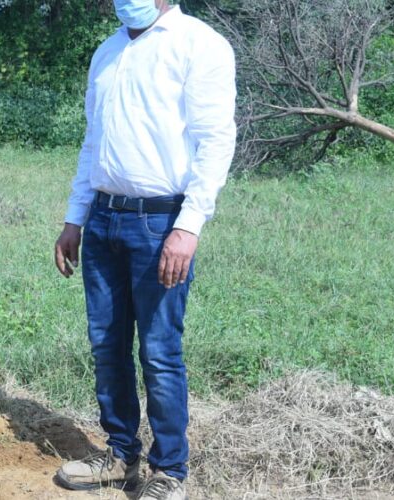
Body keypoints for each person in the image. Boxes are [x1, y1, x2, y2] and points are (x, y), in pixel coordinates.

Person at [51, 1, 236, 499]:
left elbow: (216, 140)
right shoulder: (107, 51)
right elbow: (94, 141)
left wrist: (189, 226)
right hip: (104, 217)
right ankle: (119, 454)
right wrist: (75, 216)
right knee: (107, 344)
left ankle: (169, 470)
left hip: (161, 221)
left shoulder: (199, 44)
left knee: (158, 350)